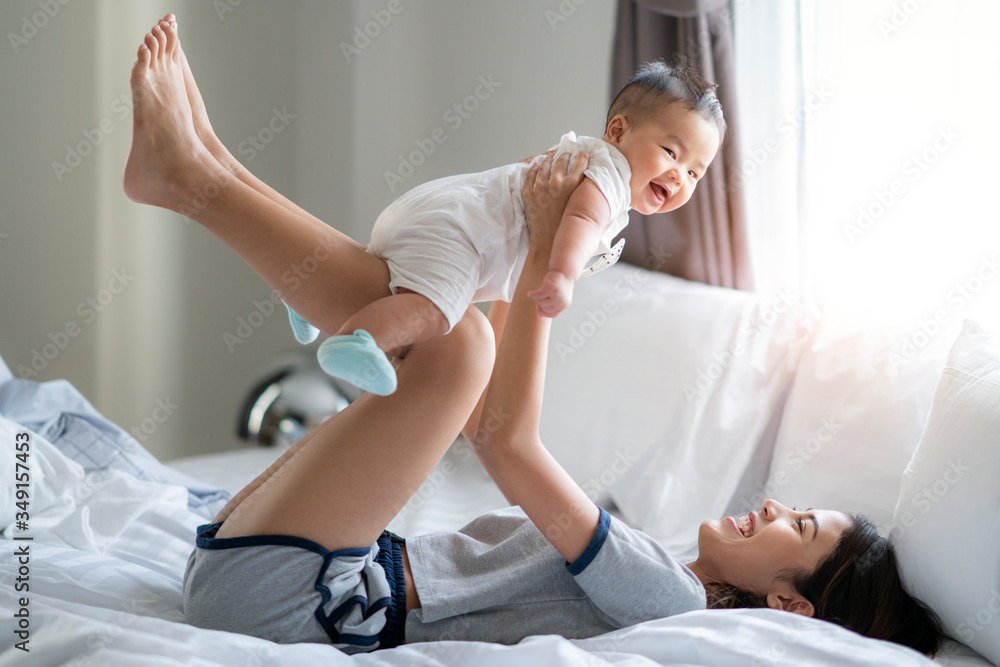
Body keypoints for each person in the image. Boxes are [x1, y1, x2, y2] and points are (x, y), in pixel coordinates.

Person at [124, 15, 943, 657]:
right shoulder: (662, 565)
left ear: (791, 604)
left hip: (295, 603)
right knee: (461, 329)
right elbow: (493, 427)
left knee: (462, 344)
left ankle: (198, 173)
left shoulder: (671, 594)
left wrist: (539, 262)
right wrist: (529, 247)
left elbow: (505, 445)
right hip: (278, 573)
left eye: (795, 526)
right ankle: (202, 167)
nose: (772, 502)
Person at [276, 59, 723, 396]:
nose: (678, 176)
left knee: (386, 281)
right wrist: (562, 277)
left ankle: (312, 295)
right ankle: (360, 341)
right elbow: (583, 219)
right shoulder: (609, 175)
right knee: (437, 313)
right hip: (459, 232)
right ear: (618, 131)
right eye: (670, 152)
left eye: (695, 173)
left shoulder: (587, 159)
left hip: (442, 212)